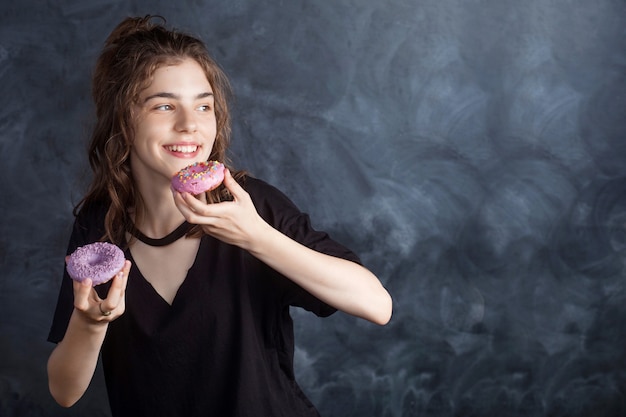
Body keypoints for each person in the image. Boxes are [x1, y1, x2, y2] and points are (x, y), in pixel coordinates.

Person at [47, 15, 392, 417]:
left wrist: (255, 237)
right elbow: (64, 391)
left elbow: (376, 305)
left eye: (204, 106)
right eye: (164, 105)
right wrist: (91, 324)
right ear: (124, 119)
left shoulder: (249, 204)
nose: (190, 125)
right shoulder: (99, 226)